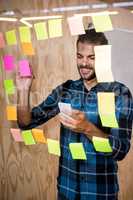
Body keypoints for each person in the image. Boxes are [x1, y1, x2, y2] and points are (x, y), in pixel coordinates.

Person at [17, 26, 133, 200]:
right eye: (80, 56)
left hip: (100, 194)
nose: (84, 63)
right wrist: (23, 90)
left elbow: (121, 150)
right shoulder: (66, 90)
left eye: (91, 57)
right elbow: (26, 123)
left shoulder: (119, 93)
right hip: (66, 191)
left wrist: (87, 128)